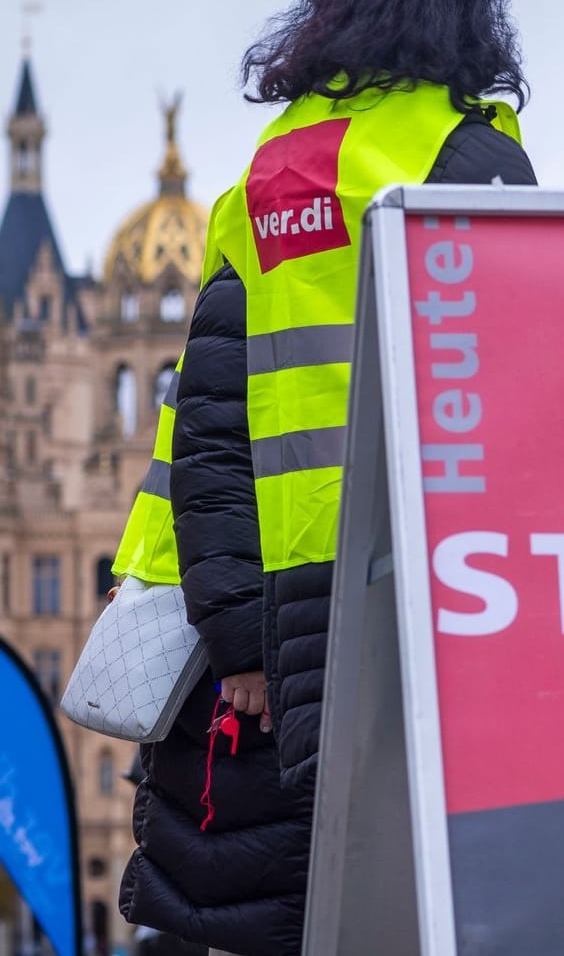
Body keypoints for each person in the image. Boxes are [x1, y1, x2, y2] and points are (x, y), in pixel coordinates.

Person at [196, 0, 536, 809]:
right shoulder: (469, 158)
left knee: (327, 856)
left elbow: (208, 426)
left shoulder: (258, 180)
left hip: (291, 582)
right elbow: (526, 388)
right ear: (464, 22)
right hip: (444, 566)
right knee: (439, 848)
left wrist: (237, 637)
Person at [116, 325, 312, 955]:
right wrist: (242, 650)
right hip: (239, 648)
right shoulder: (263, 293)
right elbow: (211, 477)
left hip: (220, 634)